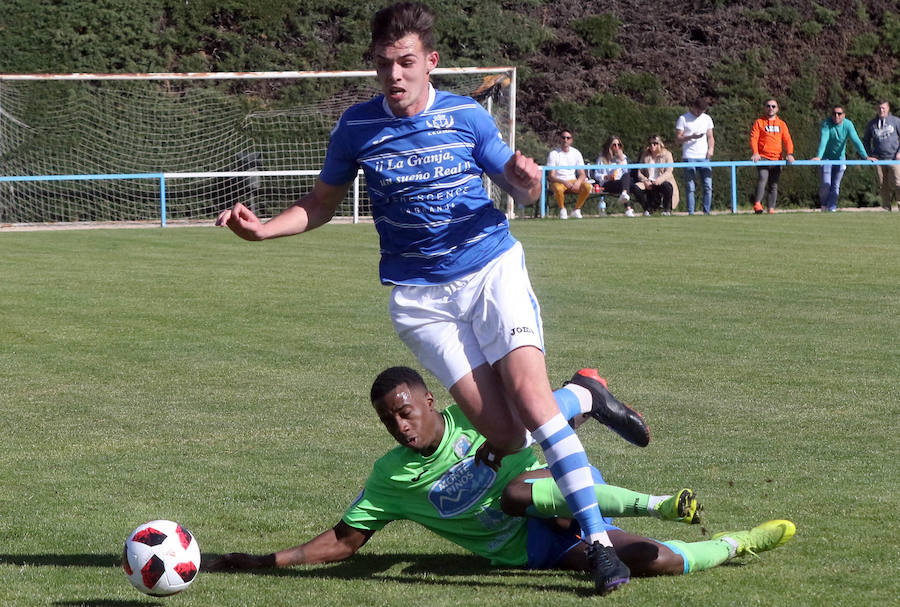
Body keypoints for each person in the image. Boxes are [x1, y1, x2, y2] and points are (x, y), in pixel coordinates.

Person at [216, 2, 647, 594]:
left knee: (530, 399)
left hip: (490, 269)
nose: (394, 76)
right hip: (420, 299)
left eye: (406, 63)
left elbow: (514, 179)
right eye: (384, 65)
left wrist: (524, 179)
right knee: (506, 437)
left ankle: (599, 546)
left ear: (431, 63)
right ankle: (584, 394)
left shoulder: (466, 115)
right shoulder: (356, 128)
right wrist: (263, 229)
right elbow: (320, 203)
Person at [207, 366, 796, 584]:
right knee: (652, 561)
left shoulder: (473, 414)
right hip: (527, 549)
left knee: (515, 491)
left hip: (559, 487)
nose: (401, 428)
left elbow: (529, 410)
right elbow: (341, 541)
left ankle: (655, 497)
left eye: (407, 412)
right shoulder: (390, 479)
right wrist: (257, 561)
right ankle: (733, 544)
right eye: (390, 422)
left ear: (431, 401)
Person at [811, 105, 869, 212]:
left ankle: (832, 208)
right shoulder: (826, 124)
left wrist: (865, 156)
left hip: (840, 158)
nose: (836, 116)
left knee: (835, 185)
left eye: (839, 114)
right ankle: (824, 206)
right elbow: (824, 140)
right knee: (825, 184)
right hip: (826, 158)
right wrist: (819, 156)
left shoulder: (848, 124)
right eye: (834, 114)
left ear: (844, 115)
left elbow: (855, 140)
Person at [749, 98, 795, 214]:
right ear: (765, 108)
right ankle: (758, 204)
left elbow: (787, 139)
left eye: (773, 106)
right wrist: (755, 152)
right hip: (763, 157)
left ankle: (771, 209)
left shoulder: (782, 124)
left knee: (774, 184)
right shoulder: (759, 122)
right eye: (768, 106)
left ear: (777, 109)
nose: (771, 108)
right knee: (762, 179)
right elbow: (754, 138)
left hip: (777, 159)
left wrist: (789, 153)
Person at [675, 97, 715, 215]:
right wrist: (691, 137)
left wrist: (711, 149)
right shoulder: (683, 119)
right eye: (698, 111)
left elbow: (710, 136)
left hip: (704, 157)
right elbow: (678, 139)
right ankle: (691, 212)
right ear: (693, 107)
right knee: (690, 186)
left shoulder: (707, 119)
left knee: (708, 185)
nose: (699, 114)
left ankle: (706, 212)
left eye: (702, 111)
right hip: (689, 156)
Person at [862, 100, 900, 211]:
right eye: (879, 108)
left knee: (898, 183)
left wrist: (899, 152)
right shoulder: (872, 124)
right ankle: (886, 207)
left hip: (894, 159)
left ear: (888, 108)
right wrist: (869, 155)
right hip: (878, 160)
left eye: (883, 108)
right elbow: (866, 141)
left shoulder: (896, 121)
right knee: (883, 185)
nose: (881, 110)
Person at [547, 129, 592, 219]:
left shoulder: (576, 153)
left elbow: (582, 174)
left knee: (587, 187)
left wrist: (578, 182)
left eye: (568, 138)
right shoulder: (554, 154)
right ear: (560, 139)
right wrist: (564, 182)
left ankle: (576, 209)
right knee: (558, 189)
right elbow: (551, 176)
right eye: (563, 138)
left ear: (571, 140)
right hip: (559, 181)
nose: (565, 140)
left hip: (573, 180)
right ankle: (562, 209)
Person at [631, 135, 679, 216]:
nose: (652, 146)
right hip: (649, 181)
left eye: (655, 143)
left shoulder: (667, 154)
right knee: (635, 187)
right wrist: (645, 181)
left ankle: (667, 209)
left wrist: (659, 180)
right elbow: (639, 171)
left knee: (667, 186)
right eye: (650, 144)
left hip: (662, 181)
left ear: (660, 144)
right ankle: (648, 209)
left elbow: (669, 171)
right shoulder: (645, 155)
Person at [593, 135, 636, 217]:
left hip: (621, 182)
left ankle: (625, 197)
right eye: (614, 145)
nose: (617, 147)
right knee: (626, 186)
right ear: (609, 146)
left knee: (626, 177)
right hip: (608, 183)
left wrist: (621, 160)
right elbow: (596, 174)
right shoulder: (602, 159)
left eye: (618, 145)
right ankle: (628, 208)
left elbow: (626, 172)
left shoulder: (623, 158)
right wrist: (607, 177)